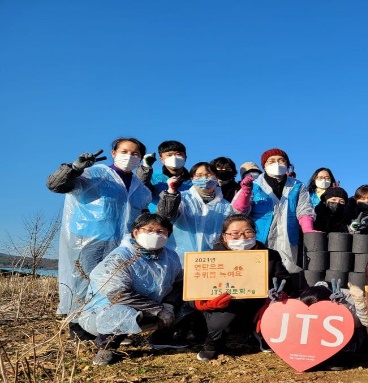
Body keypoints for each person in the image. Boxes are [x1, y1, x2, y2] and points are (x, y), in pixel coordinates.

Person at [47, 138, 152, 339]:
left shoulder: (140, 188)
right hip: (88, 237)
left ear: (140, 159)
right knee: (83, 280)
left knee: (113, 283)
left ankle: (105, 324)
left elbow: (142, 214)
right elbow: (56, 185)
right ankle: (77, 324)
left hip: (122, 244)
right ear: (114, 153)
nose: (129, 156)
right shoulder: (96, 174)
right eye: (124, 151)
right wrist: (74, 168)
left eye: (135, 153)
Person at [75, 213, 183, 366]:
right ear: (136, 232)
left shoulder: (171, 257)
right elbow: (118, 295)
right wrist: (158, 309)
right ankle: (107, 347)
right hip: (103, 315)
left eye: (161, 231)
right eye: (149, 230)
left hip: (150, 309)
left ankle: (162, 337)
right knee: (121, 312)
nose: (155, 235)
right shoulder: (120, 257)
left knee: (187, 302)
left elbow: (179, 284)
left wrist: (169, 305)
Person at [191, 214, 294, 360]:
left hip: (259, 303)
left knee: (282, 306)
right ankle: (213, 343)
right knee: (222, 318)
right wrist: (203, 302)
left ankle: (264, 334)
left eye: (248, 232)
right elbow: (193, 290)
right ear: (224, 237)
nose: (242, 238)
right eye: (234, 234)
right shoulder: (211, 259)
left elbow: (285, 280)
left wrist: (277, 296)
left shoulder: (270, 255)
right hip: (228, 305)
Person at [231, 148, 315, 273]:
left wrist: (308, 230)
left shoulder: (298, 186)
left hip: (289, 238)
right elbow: (238, 213)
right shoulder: (255, 185)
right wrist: (245, 192)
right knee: (260, 273)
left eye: (281, 160)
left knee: (287, 274)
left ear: (287, 164)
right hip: (260, 238)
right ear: (264, 165)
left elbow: (305, 209)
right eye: (271, 161)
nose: (277, 163)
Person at [157, 162, 235, 260]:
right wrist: (171, 193)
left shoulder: (226, 206)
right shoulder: (181, 198)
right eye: (199, 175)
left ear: (216, 177)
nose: (204, 179)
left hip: (212, 261)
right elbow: (165, 217)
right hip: (179, 259)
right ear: (192, 179)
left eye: (208, 174)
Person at [139, 140, 192, 213]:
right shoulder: (152, 177)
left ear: (185, 157)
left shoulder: (194, 179)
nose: (174, 158)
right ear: (162, 159)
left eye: (178, 154)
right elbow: (141, 190)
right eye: (169, 155)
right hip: (157, 220)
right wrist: (146, 167)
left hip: (188, 221)